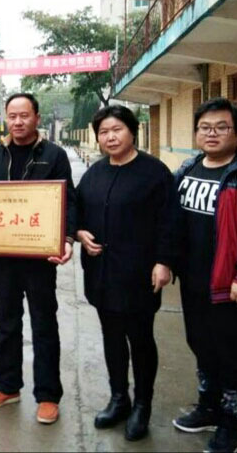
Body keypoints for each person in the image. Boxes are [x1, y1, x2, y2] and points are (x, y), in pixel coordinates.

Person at [172, 98, 237, 453]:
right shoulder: (188, 169)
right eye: (205, 127)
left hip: (229, 285)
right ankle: (209, 407)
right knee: (201, 344)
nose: (212, 133)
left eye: (221, 127)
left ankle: (233, 426)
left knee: (232, 354)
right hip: (193, 281)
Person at [75, 105, 175, 441]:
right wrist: (78, 232)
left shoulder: (154, 173)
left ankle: (142, 405)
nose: (110, 137)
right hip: (102, 272)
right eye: (103, 132)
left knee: (141, 339)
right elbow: (76, 210)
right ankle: (119, 398)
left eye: (117, 129)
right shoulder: (95, 172)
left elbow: (170, 222)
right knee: (112, 337)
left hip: (139, 274)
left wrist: (164, 261)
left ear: (132, 131)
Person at [0, 93, 76, 425]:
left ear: (37, 117)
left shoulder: (54, 155)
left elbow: (69, 200)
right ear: (6, 118)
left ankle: (48, 395)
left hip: (39, 257)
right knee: (7, 321)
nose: (18, 121)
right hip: (3, 257)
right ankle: (7, 387)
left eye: (24, 115)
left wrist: (67, 239)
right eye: (12, 116)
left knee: (43, 323)